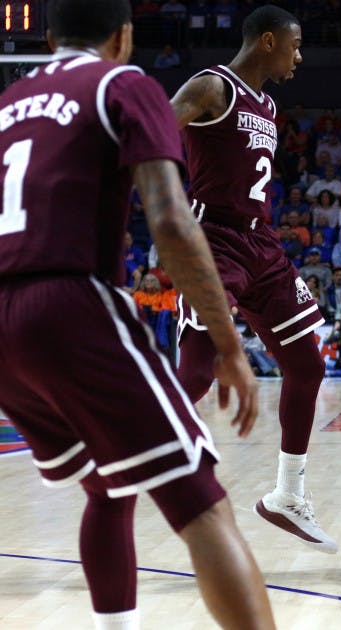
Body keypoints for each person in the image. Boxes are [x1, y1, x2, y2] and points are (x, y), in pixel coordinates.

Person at [0, 1, 274, 628]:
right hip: (67, 301)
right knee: (201, 502)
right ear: (122, 37)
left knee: (107, 483)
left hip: (3, 318)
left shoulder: (7, 106)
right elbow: (173, 222)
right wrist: (230, 346)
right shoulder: (124, 84)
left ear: (47, 38)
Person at [170, 5, 337, 553]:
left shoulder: (267, 103)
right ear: (268, 41)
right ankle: (128, 444)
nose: (299, 56)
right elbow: (158, 129)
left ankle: (287, 495)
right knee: (197, 371)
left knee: (307, 366)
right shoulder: (212, 87)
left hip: (260, 242)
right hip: (211, 238)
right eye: (294, 45)